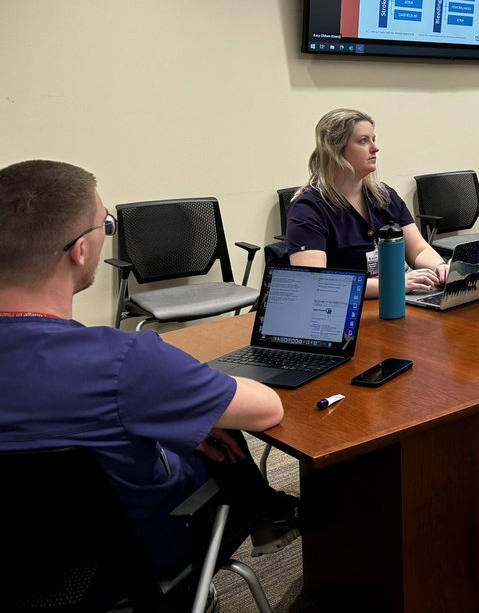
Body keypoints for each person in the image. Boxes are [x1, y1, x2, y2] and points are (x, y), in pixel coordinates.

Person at [0, 160, 297, 579]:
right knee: (222, 431)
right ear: (80, 250)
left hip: (20, 574)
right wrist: (180, 411)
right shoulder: (125, 362)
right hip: (128, 569)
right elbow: (267, 409)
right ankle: (270, 511)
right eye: (104, 226)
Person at [287, 108, 448, 297]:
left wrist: (440, 267)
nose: (375, 148)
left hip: (393, 301)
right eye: (363, 141)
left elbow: (418, 250)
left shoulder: (384, 196)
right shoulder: (308, 209)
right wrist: (391, 284)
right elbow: (316, 282)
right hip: (344, 312)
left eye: (374, 139)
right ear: (335, 150)